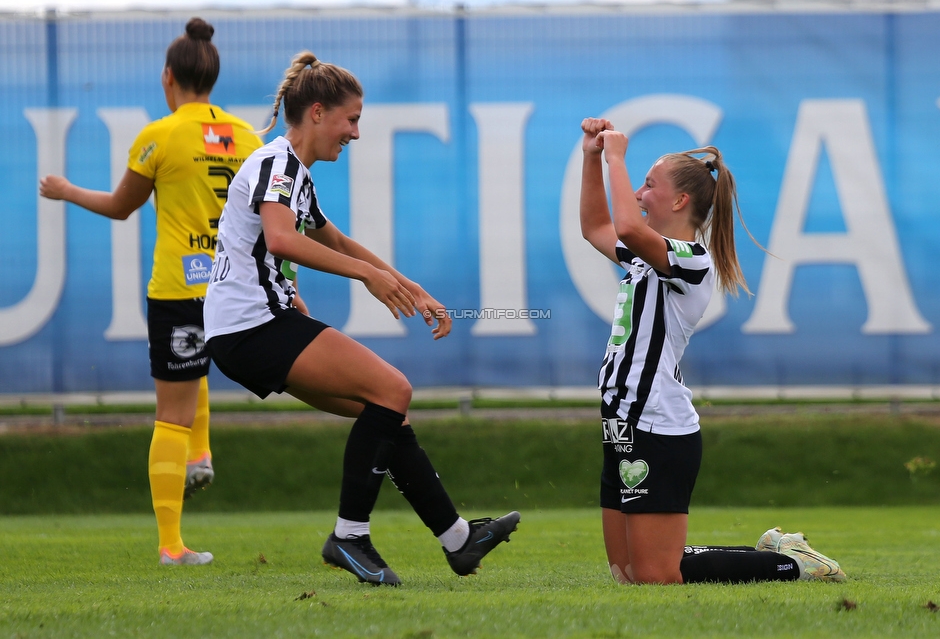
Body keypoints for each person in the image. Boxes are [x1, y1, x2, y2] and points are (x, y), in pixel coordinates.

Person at [203, 51, 519, 587]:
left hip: (250, 326)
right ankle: (349, 536)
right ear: (319, 112)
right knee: (394, 388)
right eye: (352, 119)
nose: (355, 133)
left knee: (387, 413)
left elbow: (336, 241)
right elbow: (281, 240)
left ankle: (458, 540)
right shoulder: (274, 163)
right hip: (249, 325)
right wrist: (366, 279)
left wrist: (408, 287)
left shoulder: (294, 173)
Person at [578, 117, 846, 585]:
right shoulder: (645, 256)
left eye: (648, 184)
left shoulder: (691, 261)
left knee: (657, 576)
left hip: (656, 425)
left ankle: (793, 564)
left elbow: (622, 223)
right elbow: (597, 225)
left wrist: (617, 157)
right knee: (627, 574)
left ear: (680, 200)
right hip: (621, 421)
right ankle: (777, 549)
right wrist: (591, 158)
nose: (639, 193)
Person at [39, 18, 264, 566]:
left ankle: (170, 545)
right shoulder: (249, 137)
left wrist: (67, 190)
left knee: (171, 411)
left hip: (179, 289)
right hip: (233, 289)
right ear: (212, 74)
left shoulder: (159, 136)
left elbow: (121, 207)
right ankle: (201, 455)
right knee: (201, 374)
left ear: (169, 77)